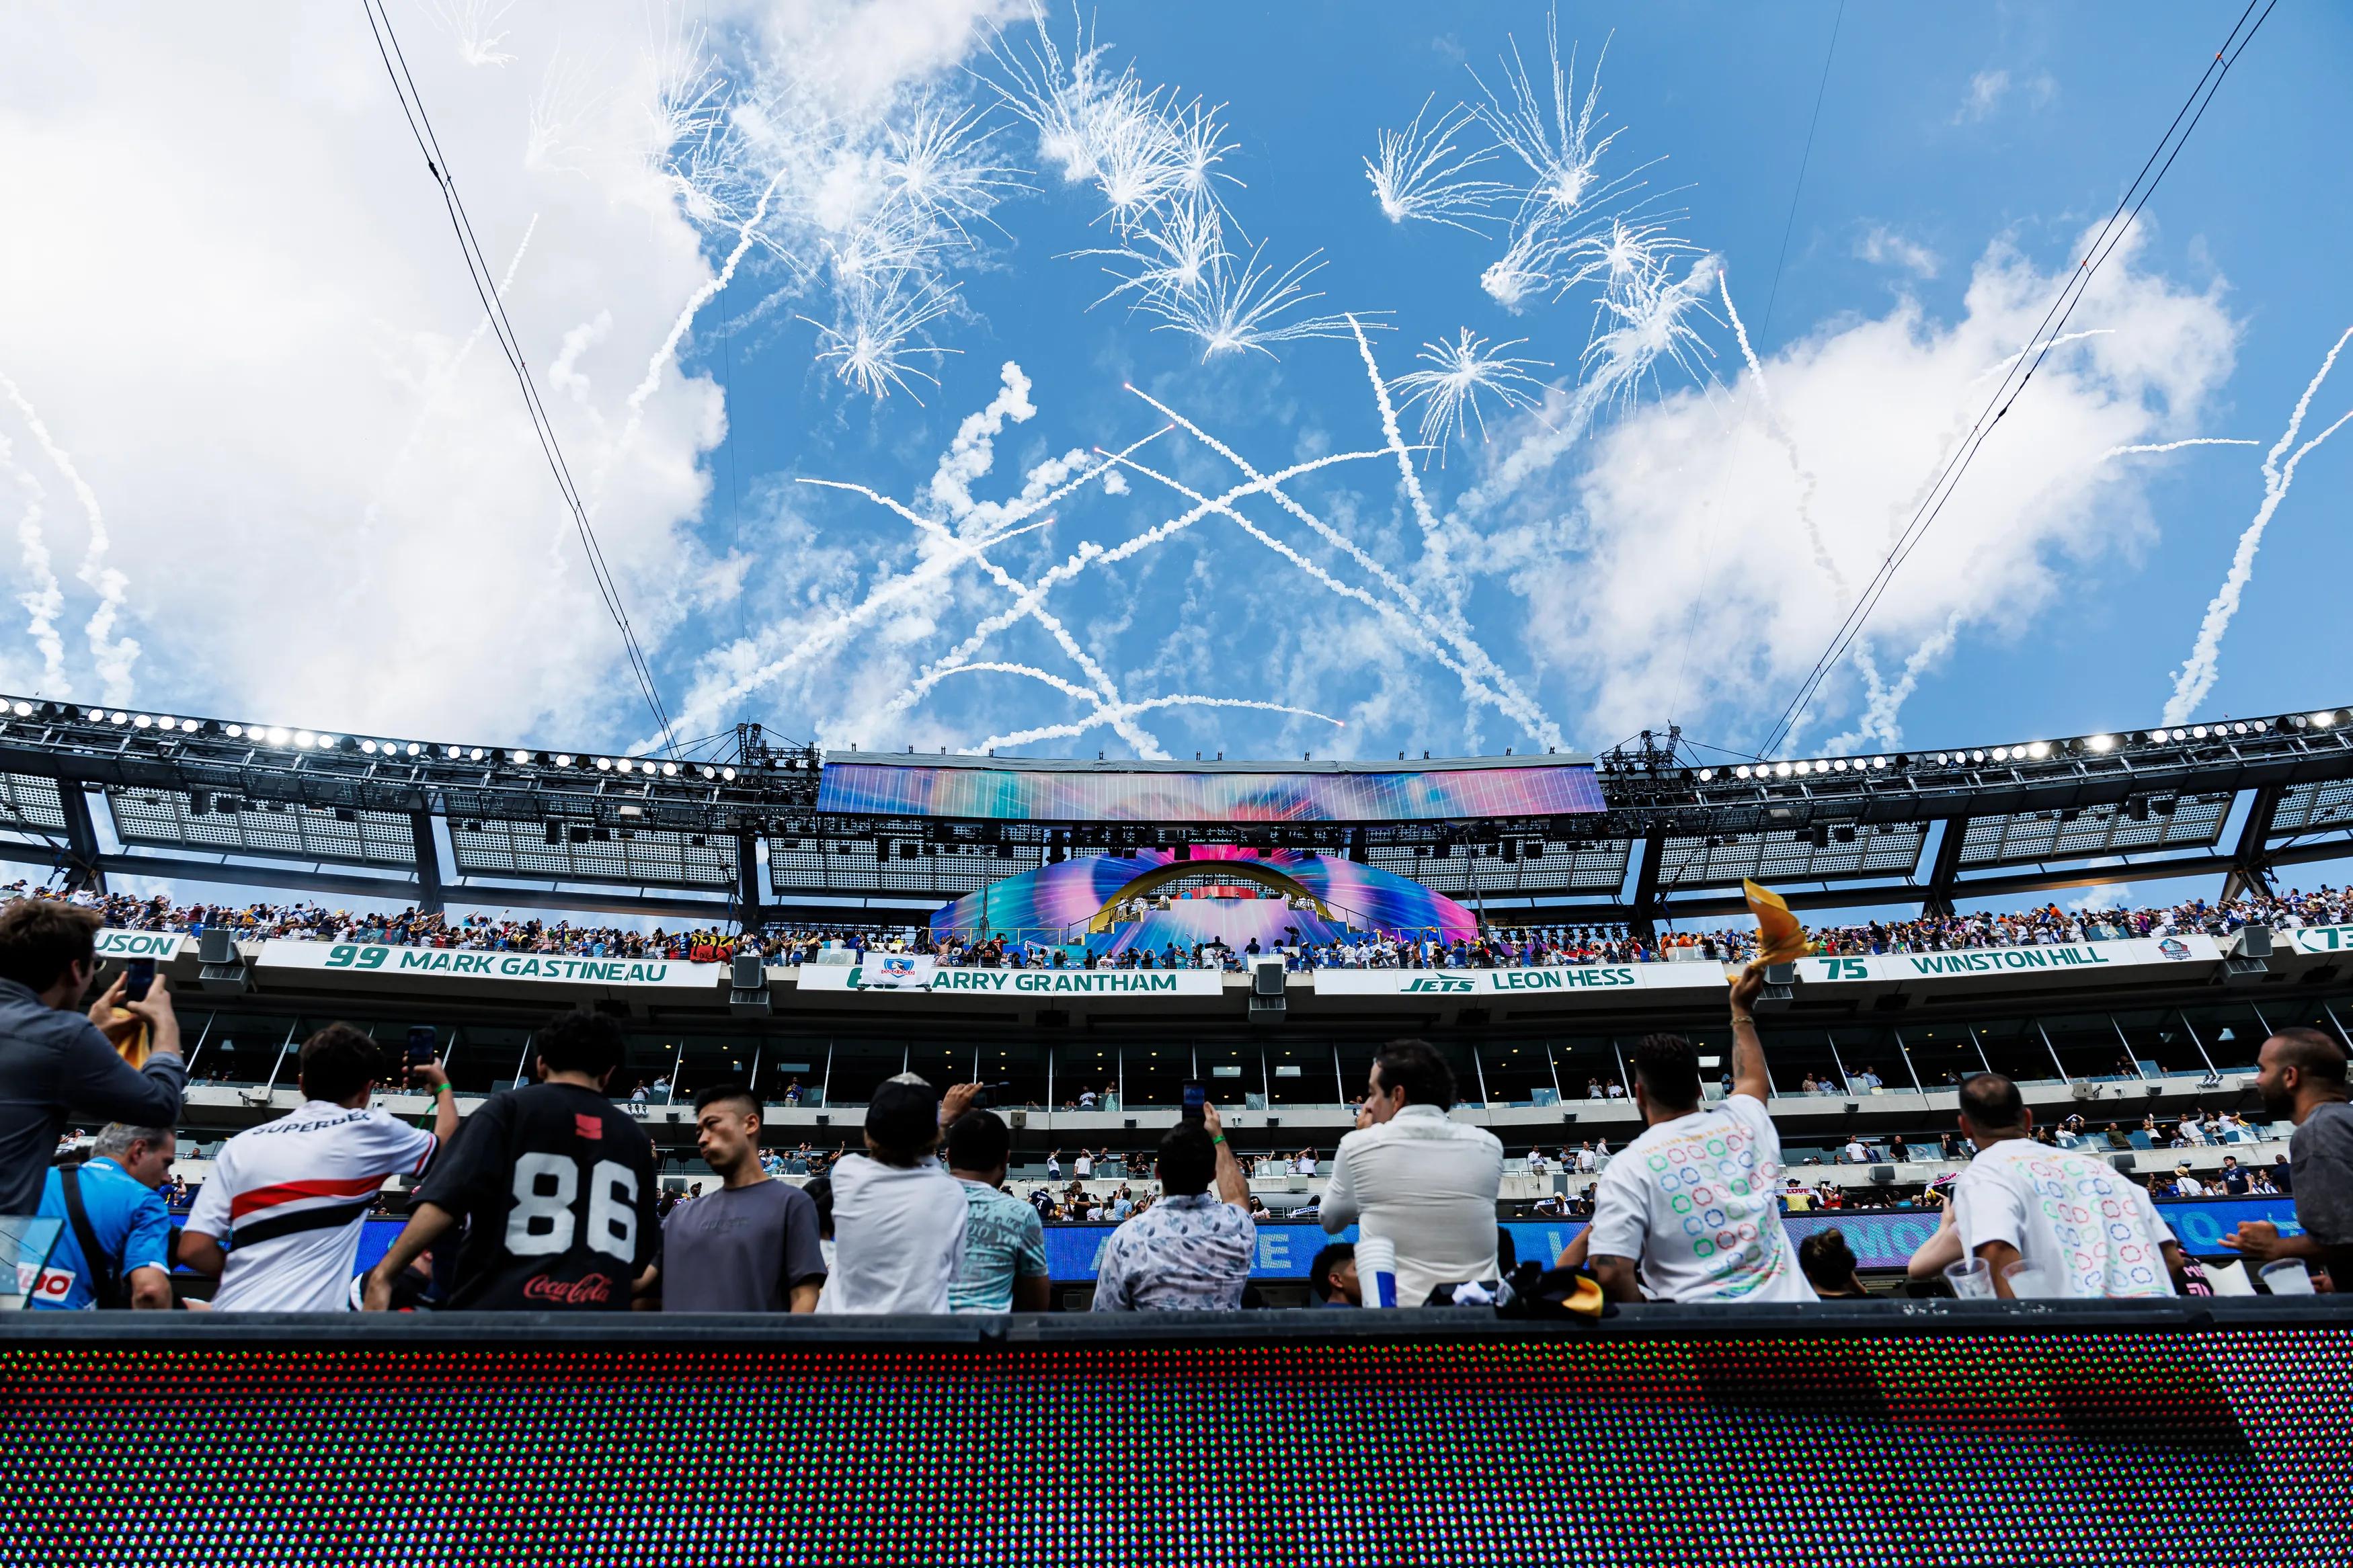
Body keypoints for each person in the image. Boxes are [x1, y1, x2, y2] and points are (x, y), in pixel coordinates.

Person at [362, 1007, 657, 1311]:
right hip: (597, 1325)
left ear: (541, 1065)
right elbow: (642, 1254)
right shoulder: (633, 1137)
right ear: (608, 1073)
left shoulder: (507, 1109)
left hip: (502, 1318)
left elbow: (445, 1199)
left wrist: (385, 1274)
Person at [180, 1024, 456, 1311]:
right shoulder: (373, 1130)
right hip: (308, 1335)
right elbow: (448, 1150)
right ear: (366, 1092)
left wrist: (250, 1279)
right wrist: (443, 1088)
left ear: (301, 1084)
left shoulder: (241, 1144)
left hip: (229, 1330)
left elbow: (193, 1249)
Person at [1585, 965, 1815, 1304]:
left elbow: (1612, 1271)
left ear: (1640, 1094)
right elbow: (1752, 1079)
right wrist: (1741, 1011)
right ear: (1697, 1087)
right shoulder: (1745, 1122)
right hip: (1799, 1333)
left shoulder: (1628, 1167)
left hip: (1703, 1345)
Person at [0, 898, 185, 1216]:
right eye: (94, 964)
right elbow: (160, 1107)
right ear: (75, 970)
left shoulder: (59, 1037)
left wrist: (91, 1034)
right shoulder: (63, 1035)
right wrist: (165, 1025)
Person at [1948, 1072, 2185, 1298]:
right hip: (2151, 1331)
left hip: (2066, 1335)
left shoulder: (1984, 1174)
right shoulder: (2103, 1171)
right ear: (2028, 1120)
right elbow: (2172, 1260)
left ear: (1965, 1127)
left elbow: (1997, 1253)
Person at [1320, 1041, 1504, 1307]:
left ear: (1397, 1096)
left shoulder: (1358, 1145)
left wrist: (1364, 1136)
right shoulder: (1489, 1145)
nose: (1369, 1105)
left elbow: (1331, 1220)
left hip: (1402, 1329)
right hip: (1479, 1322)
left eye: (1373, 1094)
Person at [642, 1084, 824, 1313]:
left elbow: (804, 1298)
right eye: (699, 1132)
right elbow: (640, 1287)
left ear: (750, 1124)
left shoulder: (792, 1204)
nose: (702, 1140)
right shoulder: (679, 1216)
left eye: (712, 1126)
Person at [819, 1075, 974, 1314]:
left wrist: (940, 1123)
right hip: (917, 1341)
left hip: (844, 1340)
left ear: (868, 1133)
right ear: (931, 1137)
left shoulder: (846, 1173)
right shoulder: (950, 1192)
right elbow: (954, 1275)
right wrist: (940, 1122)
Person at [2222, 1027, 2353, 1286]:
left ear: (2290, 1076)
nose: (2258, 1080)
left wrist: (2277, 1247)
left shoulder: (2319, 1131)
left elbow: (2345, 1237)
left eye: (2263, 1069)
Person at [1093, 1104, 1253, 1311]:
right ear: (1213, 1175)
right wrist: (1217, 1135)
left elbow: (1104, 1321)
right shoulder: (1236, 1225)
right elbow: (1238, 1195)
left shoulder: (1127, 1238)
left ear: (1158, 1173)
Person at [28, 1122, 175, 1310]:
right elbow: (150, 1291)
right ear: (139, 1151)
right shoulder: (145, 1201)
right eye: (166, 1164)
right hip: (65, 1329)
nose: (167, 1178)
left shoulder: (35, 1179)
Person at [945, 1108, 1049, 1313]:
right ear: (1005, 1160)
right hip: (988, 1340)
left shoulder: (914, 1201)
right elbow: (1036, 1306)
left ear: (947, 1157)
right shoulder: (1022, 1214)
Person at [1797, 1229, 1870, 1299]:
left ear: (1807, 1273)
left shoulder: (1798, 1308)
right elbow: (1875, 1301)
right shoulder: (1876, 1305)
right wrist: (1859, 1287)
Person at [1307, 1241, 1359, 1307]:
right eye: (1359, 1269)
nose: (1367, 1275)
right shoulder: (1366, 1317)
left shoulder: (1314, 1317)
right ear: (1336, 1280)